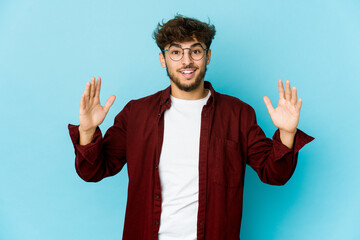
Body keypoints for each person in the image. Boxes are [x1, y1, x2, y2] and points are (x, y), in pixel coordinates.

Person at [68, 15, 314, 240]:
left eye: (195, 51)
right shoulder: (136, 114)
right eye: (176, 52)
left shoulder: (238, 113)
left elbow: (275, 175)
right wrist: (88, 131)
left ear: (207, 56)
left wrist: (287, 133)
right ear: (163, 59)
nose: (186, 60)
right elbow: (93, 171)